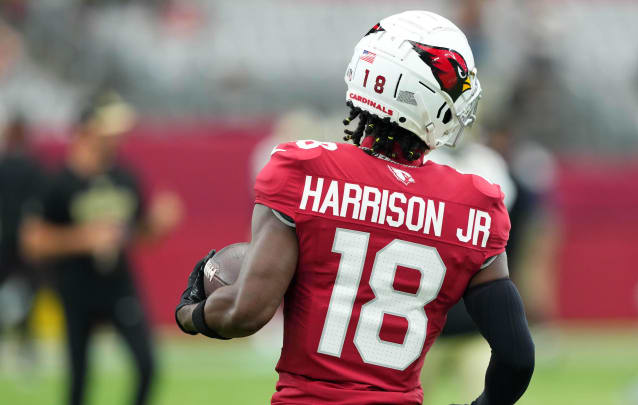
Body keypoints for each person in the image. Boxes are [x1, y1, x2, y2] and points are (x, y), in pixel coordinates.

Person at [176, 11, 534, 405]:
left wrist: (191, 313)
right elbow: (516, 359)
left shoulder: (304, 171)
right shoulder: (474, 203)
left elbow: (247, 312)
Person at [21, 91, 182, 405]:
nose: (117, 137)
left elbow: (138, 233)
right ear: (86, 130)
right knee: (79, 381)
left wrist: (157, 224)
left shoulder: (124, 177)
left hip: (118, 285)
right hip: (75, 287)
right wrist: (83, 238)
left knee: (146, 365)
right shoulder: (58, 182)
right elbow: (33, 242)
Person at [0, 113, 46, 365]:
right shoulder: (33, 167)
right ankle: (25, 342)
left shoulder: (5, 165)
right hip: (27, 239)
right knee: (29, 291)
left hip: (6, 237)